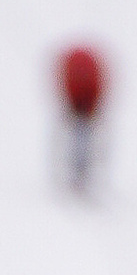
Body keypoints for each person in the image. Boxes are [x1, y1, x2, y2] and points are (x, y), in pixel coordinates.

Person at [54, 40, 107, 195]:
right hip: (79, 104)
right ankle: (79, 171)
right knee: (80, 137)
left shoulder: (78, 66)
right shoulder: (79, 67)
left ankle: (81, 172)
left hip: (83, 104)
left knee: (81, 138)